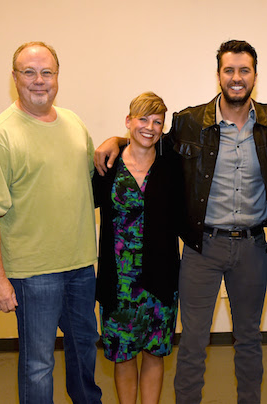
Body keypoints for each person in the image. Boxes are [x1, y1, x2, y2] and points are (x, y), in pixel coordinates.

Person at [95, 40, 267, 403]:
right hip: (203, 246)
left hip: (252, 248)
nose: (236, 78)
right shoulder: (188, 122)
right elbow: (150, 141)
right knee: (194, 341)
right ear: (218, 74)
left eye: (244, 70)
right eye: (229, 70)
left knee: (249, 340)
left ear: (255, 76)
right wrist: (117, 139)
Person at [0, 42, 102, 403]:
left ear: (58, 77)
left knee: (84, 352)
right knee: (38, 365)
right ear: (14, 77)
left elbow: (93, 180)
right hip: (32, 275)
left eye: (47, 72)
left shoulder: (74, 123)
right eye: (29, 72)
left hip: (80, 267)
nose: (39, 80)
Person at [93, 92, 183, 403]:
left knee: (155, 354)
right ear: (129, 121)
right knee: (123, 356)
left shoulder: (172, 164)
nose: (150, 127)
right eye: (143, 119)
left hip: (160, 280)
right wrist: (114, 141)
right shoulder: (108, 167)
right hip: (118, 283)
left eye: (157, 122)